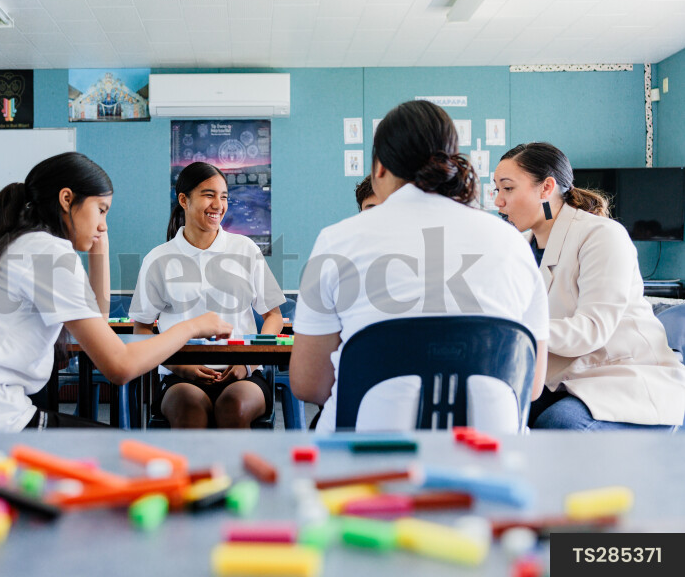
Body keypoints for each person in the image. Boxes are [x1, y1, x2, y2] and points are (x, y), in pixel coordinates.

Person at [0, 152, 232, 431]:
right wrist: (194, 326)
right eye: (101, 210)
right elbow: (119, 367)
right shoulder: (48, 253)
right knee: (124, 455)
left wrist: (98, 248)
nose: (104, 223)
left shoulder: (15, 245)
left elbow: (98, 324)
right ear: (67, 200)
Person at [290, 100, 549, 434]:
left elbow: (310, 385)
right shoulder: (513, 243)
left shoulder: (337, 241)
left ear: (379, 167)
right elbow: (530, 385)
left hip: (361, 468)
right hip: (488, 463)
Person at [493, 142, 685, 430]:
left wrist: (515, 327)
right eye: (497, 190)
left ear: (546, 188)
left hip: (621, 379)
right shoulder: (522, 248)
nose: (498, 201)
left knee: (558, 425)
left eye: (507, 188)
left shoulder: (602, 235)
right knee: (495, 414)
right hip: (566, 380)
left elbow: (592, 329)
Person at [130, 161, 286, 428]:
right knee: (190, 411)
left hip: (243, 374)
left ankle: (233, 472)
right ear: (184, 200)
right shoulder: (159, 258)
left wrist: (246, 365)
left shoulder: (244, 249)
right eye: (208, 195)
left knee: (232, 407)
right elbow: (141, 328)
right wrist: (180, 368)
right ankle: (196, 472)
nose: (218, 204)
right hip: (180, 376)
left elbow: (274, 316)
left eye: (224, 197)